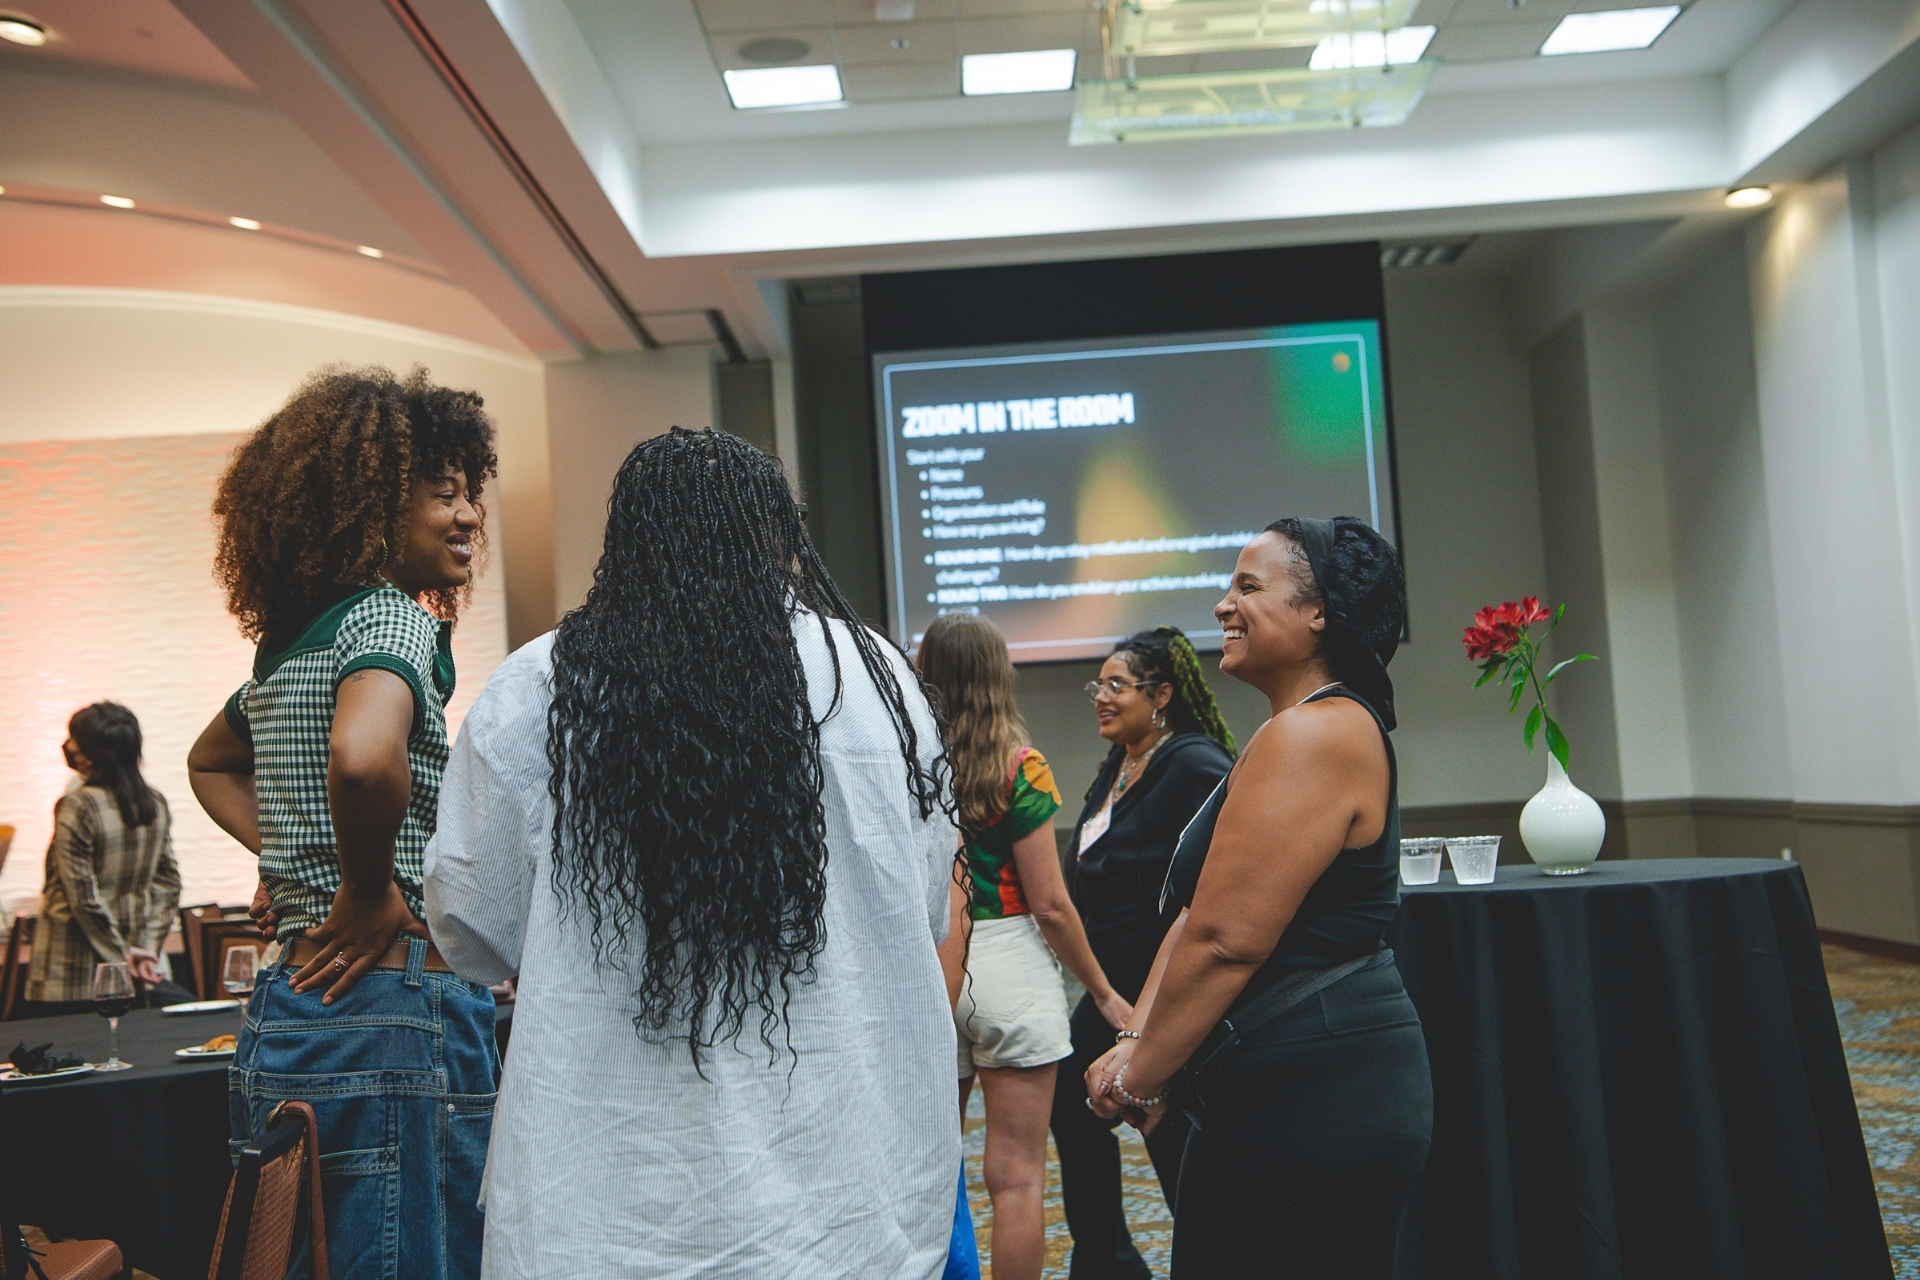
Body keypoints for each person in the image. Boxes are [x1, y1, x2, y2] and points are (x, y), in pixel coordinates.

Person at [422, 427, 959, 1279]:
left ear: (624, 539)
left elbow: (470, 931)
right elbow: (928, 907)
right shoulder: (876, 678)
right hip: (847, 1208)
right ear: (784, 538)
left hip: (606, 1209)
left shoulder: (538, 687)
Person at [186, 366, 500, 1280]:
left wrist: (295, 853)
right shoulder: (390, 622)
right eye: (442, 493)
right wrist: (364, 891)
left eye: (469, 492)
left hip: (290, 1012)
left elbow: (211, 762)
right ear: (370, 507)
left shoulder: (292, 643)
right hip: (392, 1011)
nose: (469, 515)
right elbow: (365, 756)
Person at [1086, 517, 1432, 1278]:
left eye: (1248, 586)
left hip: (1321, 1095)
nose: (1222, 606)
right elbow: (1194, 918)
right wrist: (1139, 1039)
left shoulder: (1315, 735)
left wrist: (1138, 1072)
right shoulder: (1290, 732)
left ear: (1320, 614)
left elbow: (1225, 942)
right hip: (1279, 1087)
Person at [917, 612, 1133, 1280]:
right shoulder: (1022, 768)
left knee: (930, 1169)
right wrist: (1101, 992)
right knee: (1016, 1179)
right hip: (1010, 960)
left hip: (932, 961)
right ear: (997, 676)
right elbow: (1051, 905)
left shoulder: (909, 763)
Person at [1050, 627, 1236, 1278]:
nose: (1100, 696)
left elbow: (1223, 872)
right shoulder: (1123, 763)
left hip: (1163, 992)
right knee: (1075, 1111)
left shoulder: (1193, 762)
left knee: (1168, 1128)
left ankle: (1214, 1257)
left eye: (1116, 685)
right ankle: (1108, 1261)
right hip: (1109, 986)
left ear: (1160, 695)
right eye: (1096, 684)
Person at [20, 703, 182, 1015]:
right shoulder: (154, 802)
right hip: (133, 971)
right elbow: (169, 884)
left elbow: (83, 897)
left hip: (71, 972)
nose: (68, 746)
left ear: (91, 751)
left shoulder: (78, 805)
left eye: (73, 738)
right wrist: (146, 949)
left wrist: (122, 956)